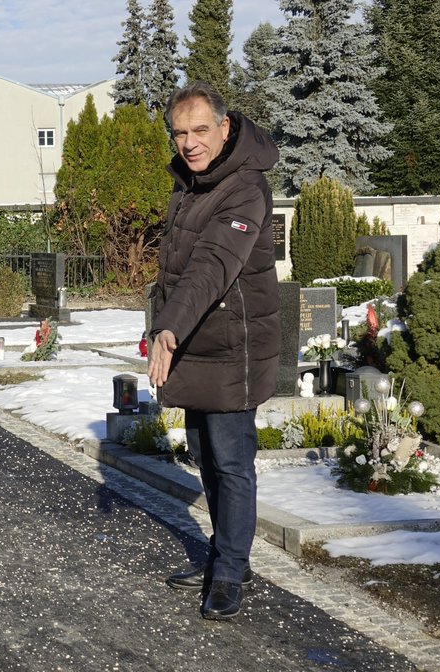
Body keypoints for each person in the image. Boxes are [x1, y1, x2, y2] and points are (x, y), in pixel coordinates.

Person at [148, 81, 281, 620]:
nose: (190, 142)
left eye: (200, 130)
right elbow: (174, 270)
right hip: (191, 340)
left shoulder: (245, 187)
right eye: (181, 133)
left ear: (225, 129)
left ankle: (230, 570)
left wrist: (168, 328)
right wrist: (162, 327)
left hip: (233, 347)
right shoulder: (190, 185)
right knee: (204, 455)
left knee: (231, 460)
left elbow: (212, 266)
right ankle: (227, 553)